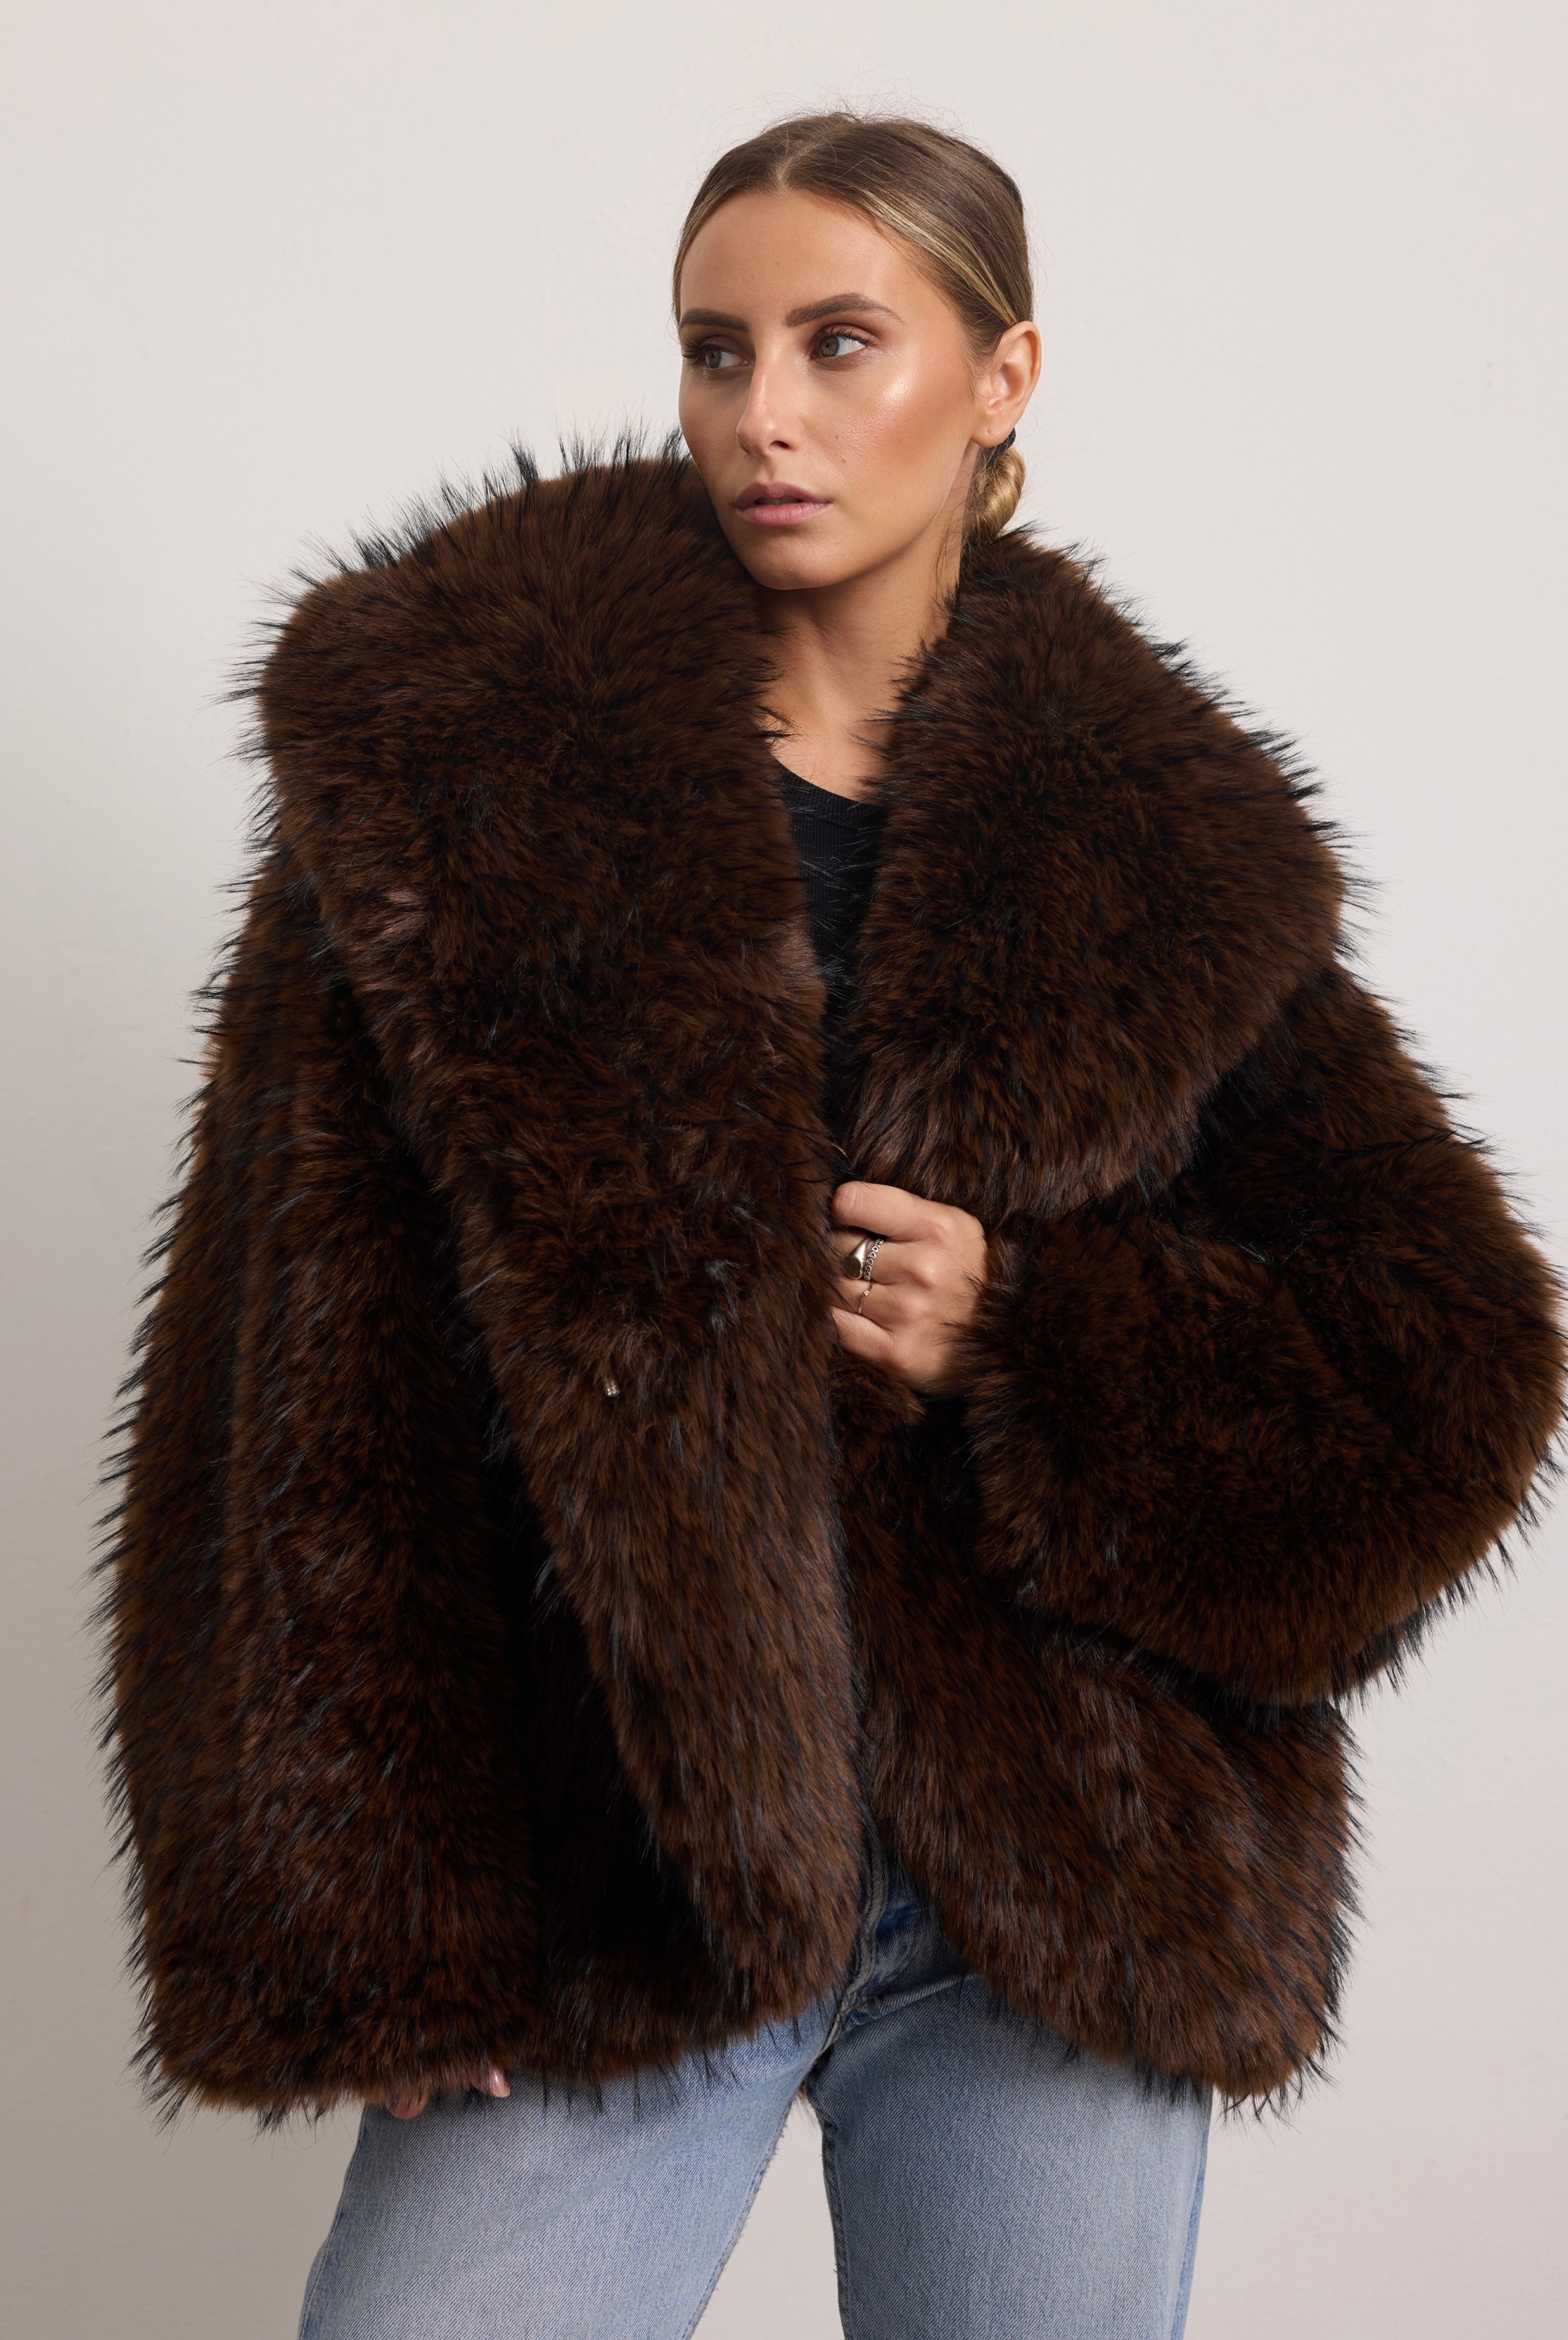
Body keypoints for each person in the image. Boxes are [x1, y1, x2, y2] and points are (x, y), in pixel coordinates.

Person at [101, 113, 1564, 2340]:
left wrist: (1036, 1347)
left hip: (1046, 1877)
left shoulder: (1164, 849)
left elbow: (1445, 1363)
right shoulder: (460, 768)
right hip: (611, 1862)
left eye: (837, 342)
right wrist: (367, 1923)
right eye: (717, 349)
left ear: (1001, 378)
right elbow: (291, 1374)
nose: (761, 413)